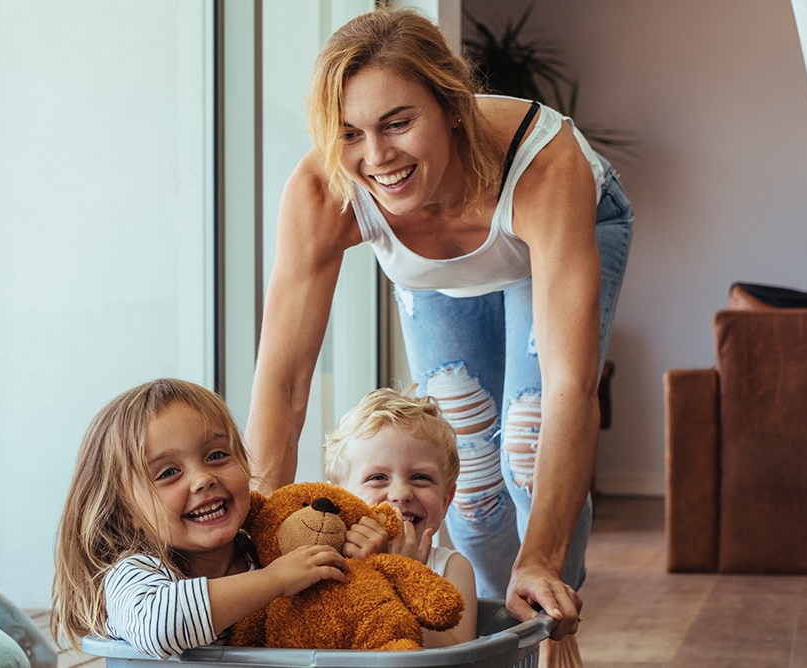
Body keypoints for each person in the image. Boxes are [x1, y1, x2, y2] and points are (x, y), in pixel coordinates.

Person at [244, 6, 634, 660]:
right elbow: (283, 385)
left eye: (399, 123)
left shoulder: (543, 163)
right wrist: (252, 550)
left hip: (565, 230)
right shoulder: (324, 188)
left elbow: (572, 385)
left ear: (452, 106)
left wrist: (541, 559)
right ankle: (481, 646)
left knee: (528, 440)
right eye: (350, 132)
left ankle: (551, 624)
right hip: (441, 280)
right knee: (472, 487)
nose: (377, 157)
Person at [51, 378, 351, 659]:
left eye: (216, 455)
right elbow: (160, 627)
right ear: (127, 513)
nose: (203, 478)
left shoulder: (261, 550)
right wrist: (273, 580)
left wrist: (362, 551)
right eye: (168, 473)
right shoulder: (136, 573)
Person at [323, 387, 478, 647]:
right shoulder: (326, 560)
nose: (401, 494)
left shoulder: (451, 568)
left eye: (420, 478)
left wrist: (404, 576)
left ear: (445, 500)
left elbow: (457, 657)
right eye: (378, 478)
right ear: (340, 497)